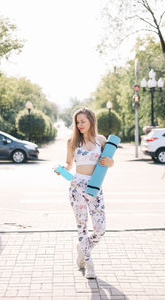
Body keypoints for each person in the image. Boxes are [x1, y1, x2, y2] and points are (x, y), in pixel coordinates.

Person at [56, 108, 114, 279]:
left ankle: (82, 248)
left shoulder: (101, 140)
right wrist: (62, 169)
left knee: (100, 229)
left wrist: (110, 162)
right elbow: (69, 164)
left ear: (91, 121)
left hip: (95, 188)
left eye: (83, 121)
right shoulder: (72, 141)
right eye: (77, 122)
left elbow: (109, 161)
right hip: (77, 187)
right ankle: (88, 262)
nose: (79, 125)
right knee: (82, 226)